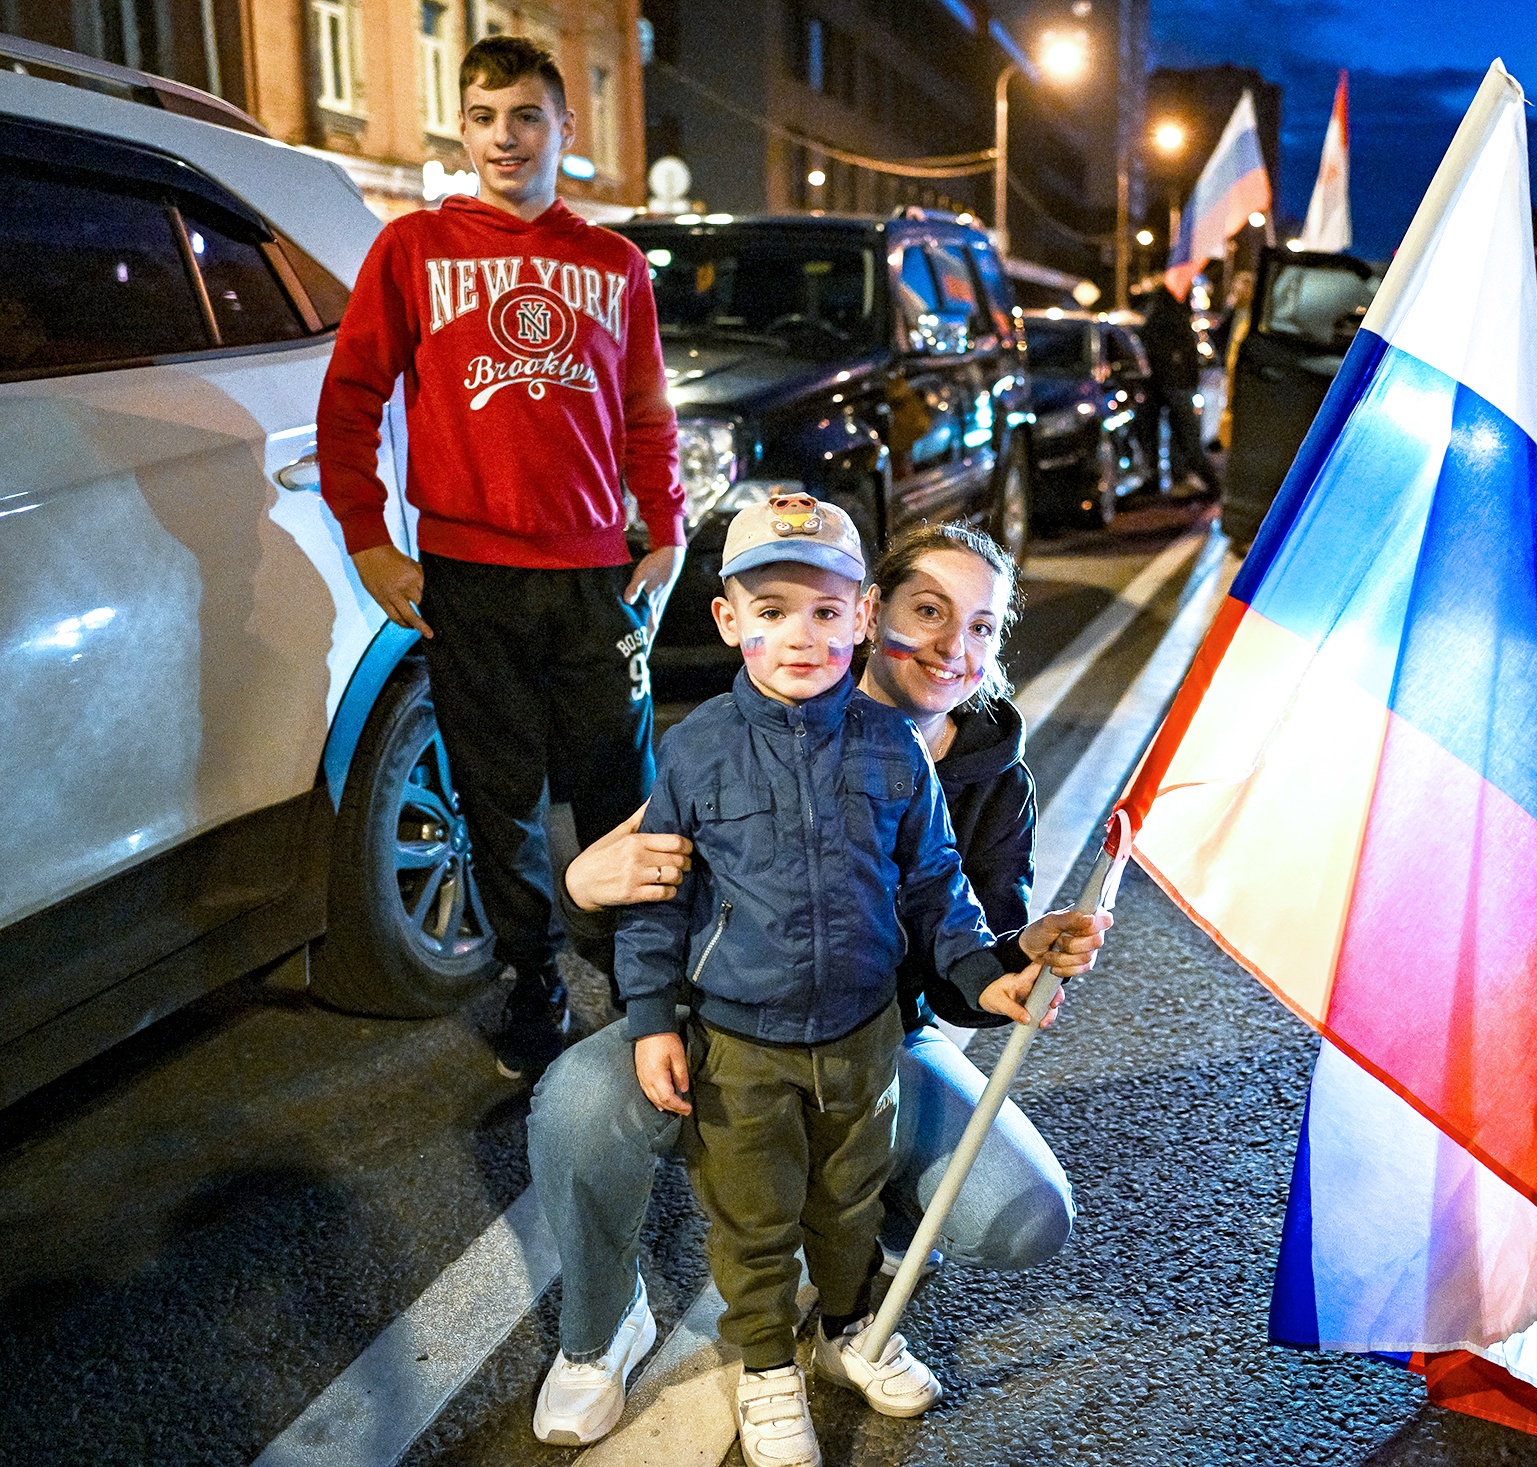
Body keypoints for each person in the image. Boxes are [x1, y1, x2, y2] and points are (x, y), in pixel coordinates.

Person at [526, 521, 1072, 1450]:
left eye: (982, 626)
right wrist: (585, 896)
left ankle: (852, 1314)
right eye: (929, 611)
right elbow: (651, 895)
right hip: (733, 1033)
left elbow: (949, 907)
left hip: (871, 1033)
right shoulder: (707, 747)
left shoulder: (937, 762)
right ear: (883, 613)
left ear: (852, 615)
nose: (953, 646)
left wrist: (1010, 966)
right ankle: (641, 1332)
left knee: (882, 1197)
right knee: (727, 1195)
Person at [316, 34, 685, 1080]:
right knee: (498, 797)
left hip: (592, 575)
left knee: (618, 790)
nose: (502, 138)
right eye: (481, 117)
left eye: (525, 115)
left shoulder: (611, 265)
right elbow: (348, 404)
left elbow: (645, 412)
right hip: (467, 578)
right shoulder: (414, 250)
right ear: (463, 127)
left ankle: (638, 984)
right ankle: (535, 980)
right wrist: (368, 542)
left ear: (566, 128)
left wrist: (664, 523)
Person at [1136, 279, 1219, 496]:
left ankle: (1173, 479)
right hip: (1175, 385)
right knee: (1187, 436)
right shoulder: (1173, 319)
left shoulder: (1159, 318)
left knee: (1166, 437)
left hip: (1166, 385)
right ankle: (1206, 483)